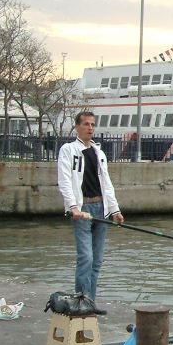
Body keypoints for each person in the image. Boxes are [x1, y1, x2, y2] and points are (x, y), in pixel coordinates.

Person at [57, 111, 123, 313]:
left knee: (97, 259)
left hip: (100, 208)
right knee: (85, 257)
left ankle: (90, 302)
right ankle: (81, 300)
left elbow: (107, 184)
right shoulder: (68, 150)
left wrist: (115, 209)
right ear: (77, 126)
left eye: (93, 124)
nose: (90, 128)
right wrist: (73, 207)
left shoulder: (99, 153)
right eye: (86, 124)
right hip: (83, 208)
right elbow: (65, 180)